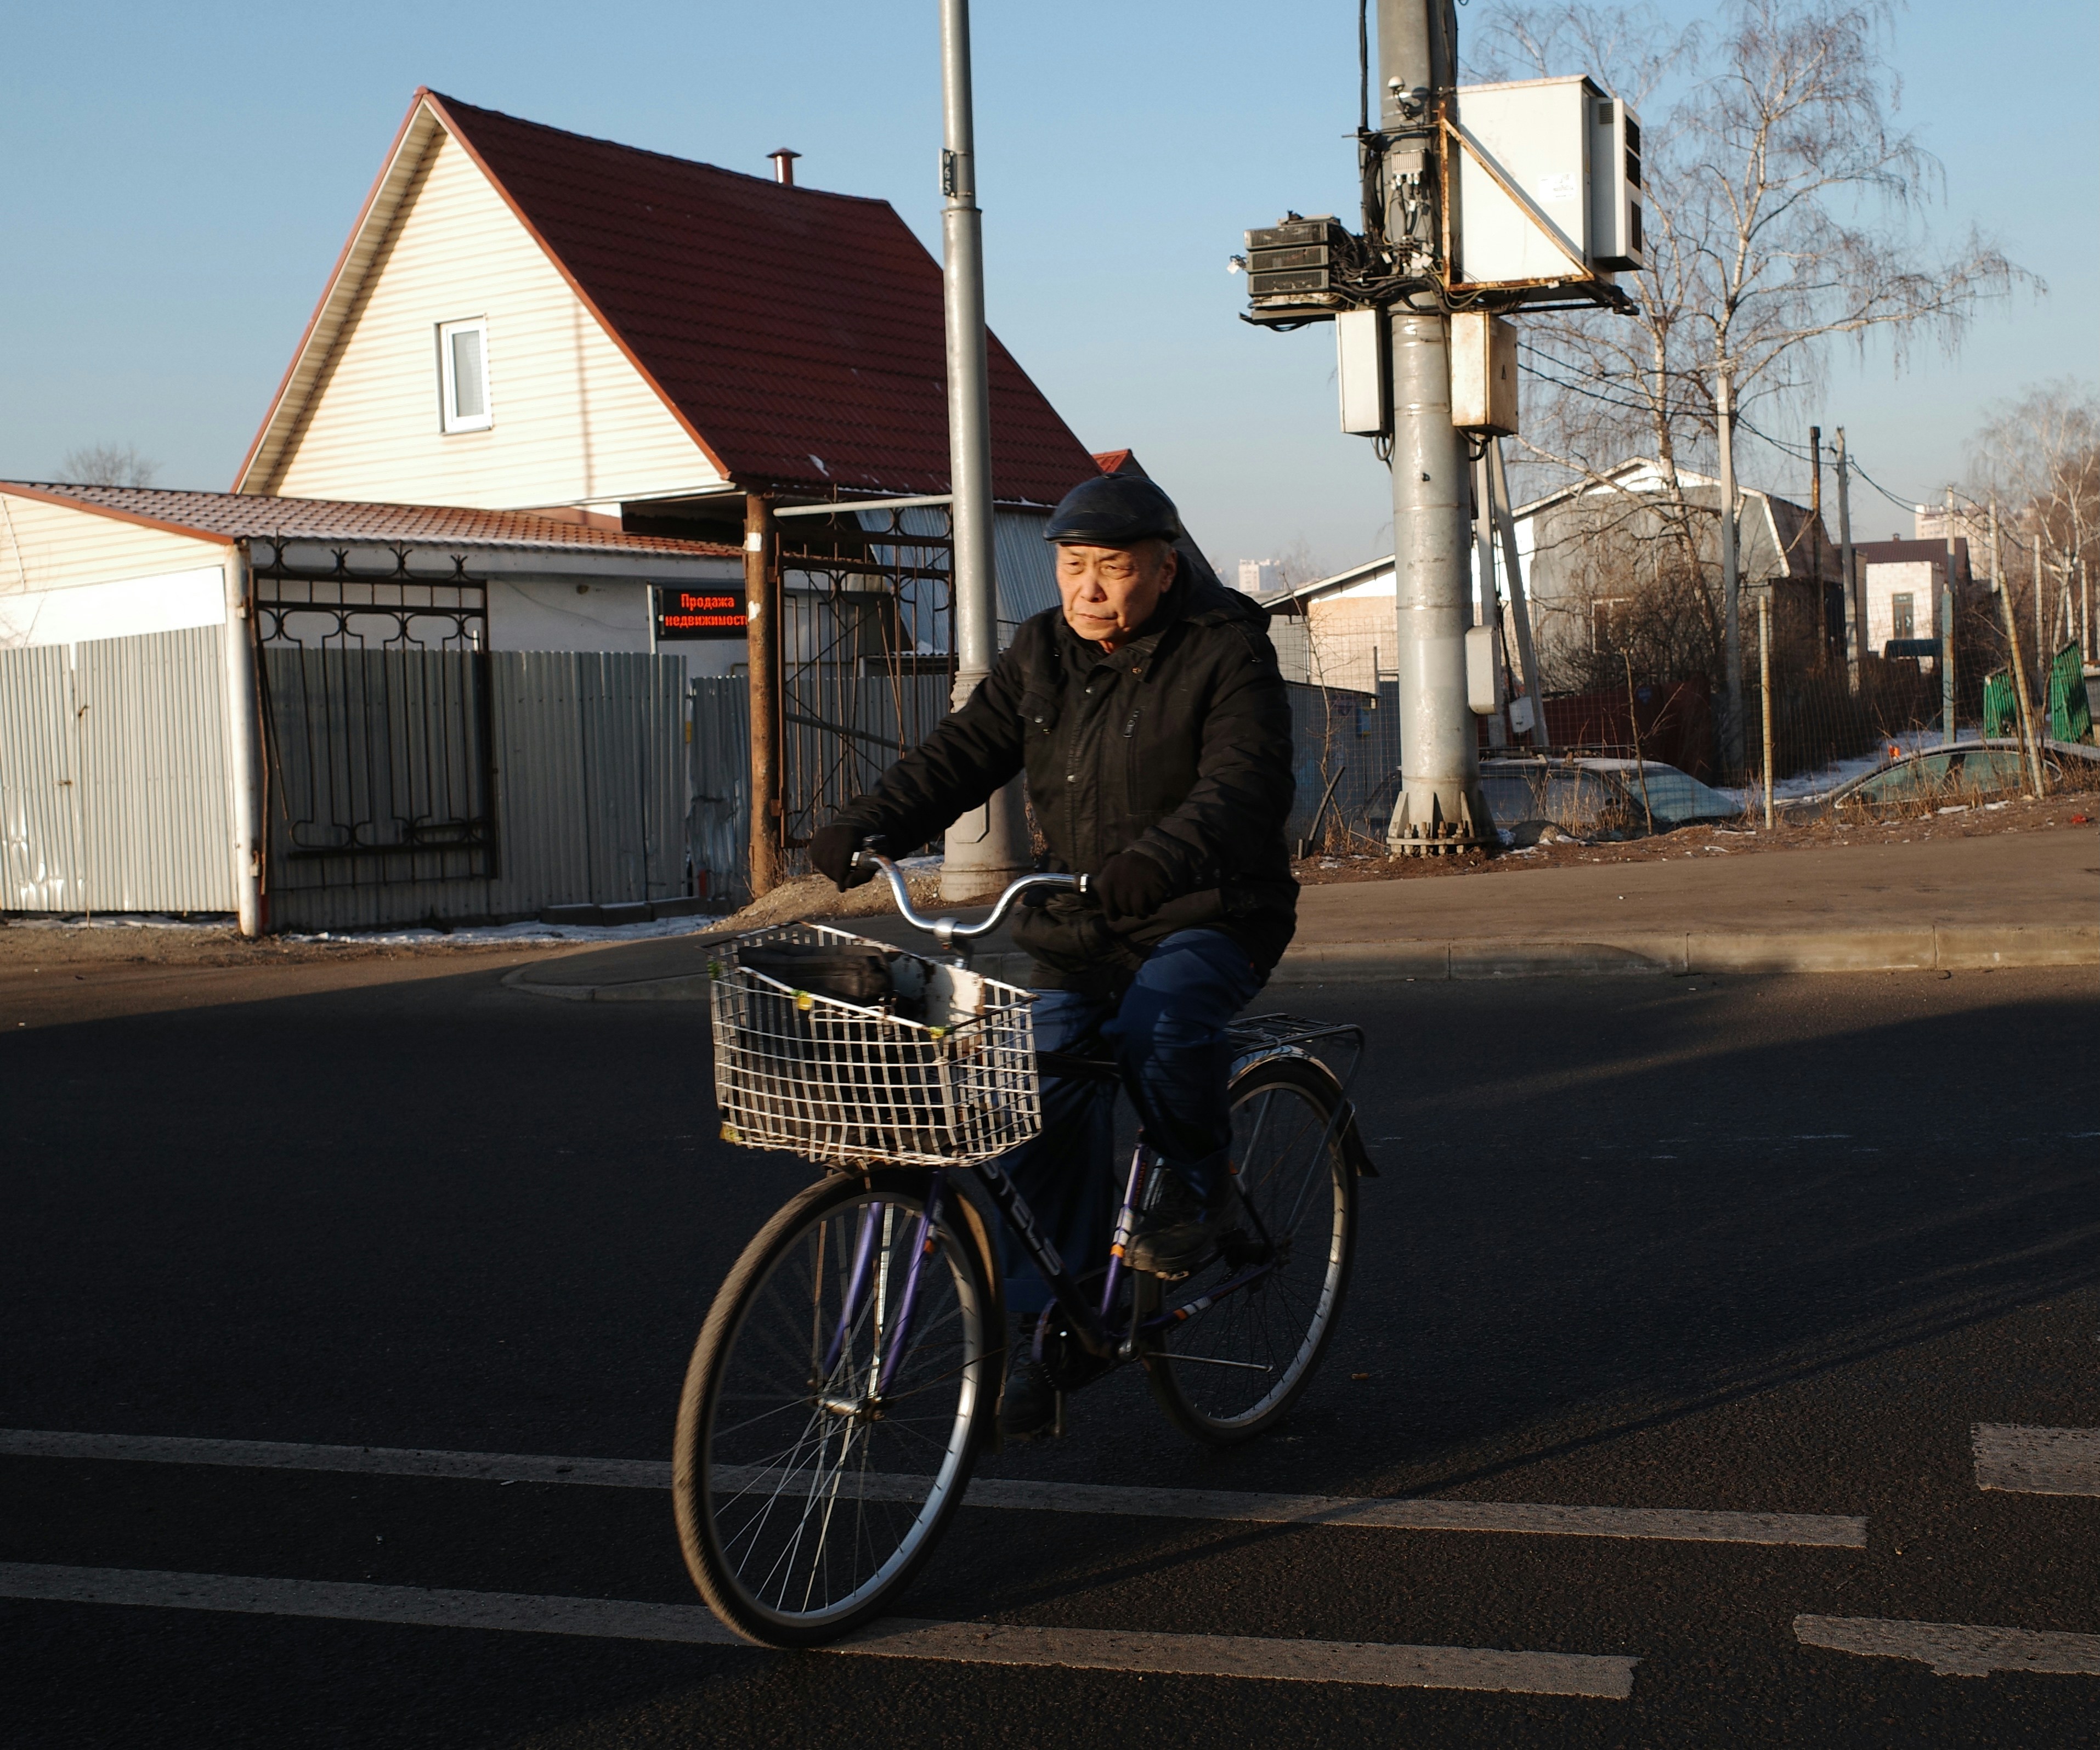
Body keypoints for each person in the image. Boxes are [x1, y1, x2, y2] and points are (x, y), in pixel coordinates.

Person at [810, 474, 1297, 1435]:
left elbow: (1243, 782)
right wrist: (867, 825)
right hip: (1080, 916)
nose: (1088, 591)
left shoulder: (1225, 651)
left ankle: (1199, 1194)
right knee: (1038, 1083)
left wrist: (1158, 857)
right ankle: (1054, 1323)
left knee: (1160, 1027)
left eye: (1111, 570)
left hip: (1208, 907)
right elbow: (962, 752)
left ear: (1163, 569)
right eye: (1073, 568)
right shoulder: (1040, 652)